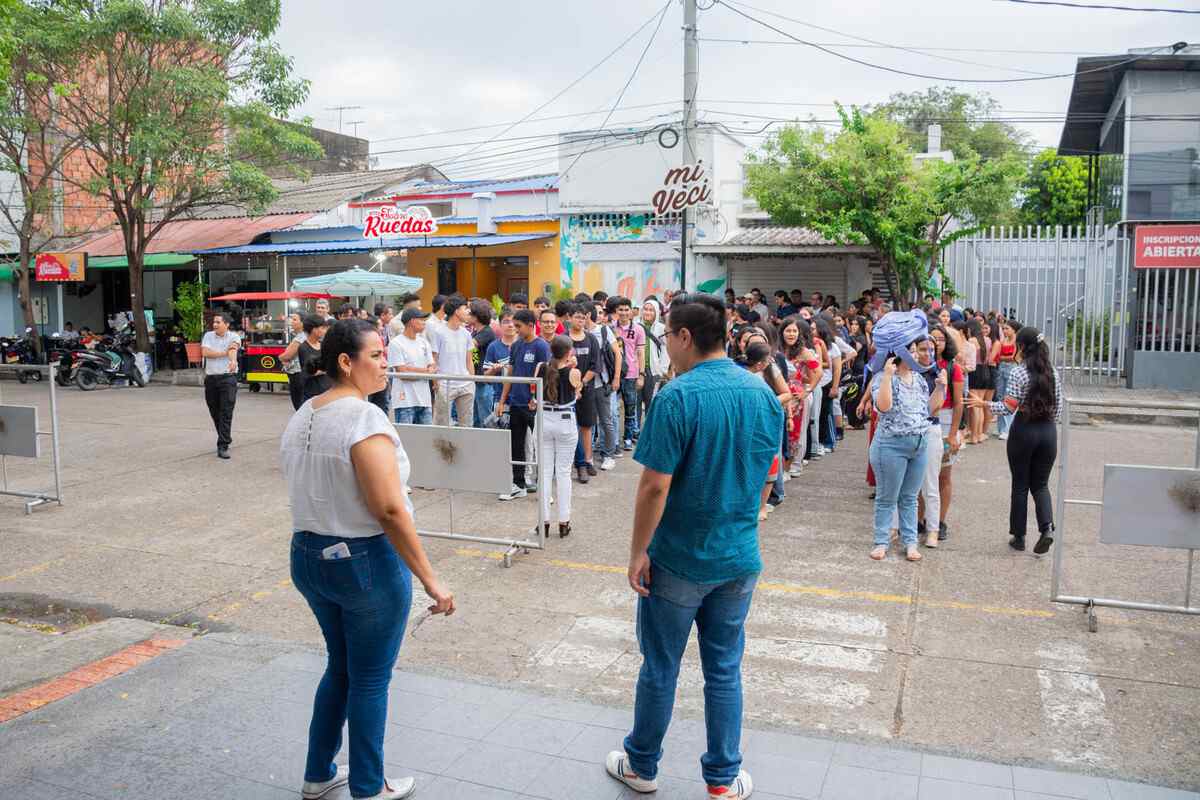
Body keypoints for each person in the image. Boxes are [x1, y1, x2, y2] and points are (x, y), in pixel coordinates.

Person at [604, 293, 781, 800]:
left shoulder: (677, 397)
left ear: (684, 336)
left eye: (668, 339)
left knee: (661, 665)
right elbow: (769, 475)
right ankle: (722, 779)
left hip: (681, 557)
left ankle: (642, 766)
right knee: (724, 668)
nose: (668, 350)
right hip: (738, 555)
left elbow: (654, 486)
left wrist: (639, 552)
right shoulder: (762, 394)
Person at [282, 318, 455, 800]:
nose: (385, 364)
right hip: (363, 562)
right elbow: (389, 509)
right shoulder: (363, 418)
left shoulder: (303, 414)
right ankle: (367, 786)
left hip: (308, 556)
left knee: (341, 665)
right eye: (376, 356)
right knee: (371, 678)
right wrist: (431, 579)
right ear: (345, 362)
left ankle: (319, 773)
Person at [969, 325, 1063, 554]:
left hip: (1024, 430)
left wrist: (984, 404)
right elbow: (1058, 409)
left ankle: (1019, 537)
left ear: (1022, 346)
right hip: (1048, 431)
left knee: (1020, 484)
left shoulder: (1019, 372)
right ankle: (1047, 529)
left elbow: (1008, 407)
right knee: (1041, 484)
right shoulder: (1053, 371)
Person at [867, 311, 945, 562]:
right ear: (899, 352)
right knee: (887, 497)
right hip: (890, 445)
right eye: (913, 349)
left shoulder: (920, 380)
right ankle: (881, 541)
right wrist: (888, 377)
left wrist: (941, 387)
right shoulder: (882, 377)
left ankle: (910, 542)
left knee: (910, 498)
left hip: (919, 444)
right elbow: (884, 407)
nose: (920, 354)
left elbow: (930, 409)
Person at [497, 309, 550, 501]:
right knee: (516, 445)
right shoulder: (517, 345)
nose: (515, 329)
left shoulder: (541, 346)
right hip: (516, 402)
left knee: (540, 446)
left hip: (534, 405)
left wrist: (536, 399)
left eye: (519, 326)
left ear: (530, 325)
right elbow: (510, 373)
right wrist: (503, 400)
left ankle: (545, 488)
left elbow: (544, 375)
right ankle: (518, 484)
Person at [536, 336, 582, 538]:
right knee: (563, 473)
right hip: (565, 421)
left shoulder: (540, 368)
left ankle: (543, 521)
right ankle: (564, 522)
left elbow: (535, 391)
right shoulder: (574, 372)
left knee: (544, 473)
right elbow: (577, 393)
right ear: (568, 352)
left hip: (544, 418)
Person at [928, 323, 963, 544]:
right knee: (922, 476)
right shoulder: (918, 364)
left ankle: (940, 522)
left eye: (940, 339)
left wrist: (953, 434)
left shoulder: (953, 368)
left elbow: (959, 403)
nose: (936, 343)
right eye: (932, 339)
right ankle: (921, 521)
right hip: (925, 420)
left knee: (943, 476)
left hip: (947, 421)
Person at [429, 296, 475, 428]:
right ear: (456, 311)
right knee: (442, 425)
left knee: (467, 425)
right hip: (445, 384)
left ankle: (465, 448)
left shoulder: (466, 333)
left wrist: (472, 381)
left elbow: (469, 360)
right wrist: (436, 383)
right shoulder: (439, 332)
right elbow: (434, 359)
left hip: (466, 384)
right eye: (465, 308)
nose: (468, 311)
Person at [566, 303, 599, 483]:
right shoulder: (563, 339)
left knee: (586, 426)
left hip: (586, 389)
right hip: (566, 391)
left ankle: (587, 460)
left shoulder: (591, 339)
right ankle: (571, 462)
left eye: (583, 317)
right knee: (569, 426)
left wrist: (581, 383)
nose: (580, 320)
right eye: (577, 316)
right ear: (570, 318)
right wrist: (572, 385)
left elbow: (596, 366)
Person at [201, 313, 240, 459]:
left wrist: (232, 360)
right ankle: (225, 437)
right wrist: (224, 353)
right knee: (214, 411)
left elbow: (233, 349)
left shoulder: (234, 336)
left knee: (226, 411)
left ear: (227, 324)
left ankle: (223, 445)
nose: (215, 324)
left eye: (218, 322)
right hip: (211, 379)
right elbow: (205, 352)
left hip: (227, 379)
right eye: (214, 322)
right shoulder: (208, 336)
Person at [388, 308, 436, 425]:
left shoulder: (424, 343)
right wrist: (425, 371)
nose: (424, 323)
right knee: (406, 440)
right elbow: (403, 373)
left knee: (426, 440)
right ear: (412, 321)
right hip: (405, 402)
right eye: (421, 320)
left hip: (424, 401)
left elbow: (433, 367)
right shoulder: (396, 343)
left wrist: (411, 369)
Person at [591, 302, 622, 471]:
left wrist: (616, 378)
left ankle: (608, 454)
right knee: (587, 423)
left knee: (606, 420)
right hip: (585, 385)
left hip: (602, 383)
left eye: (601, 312)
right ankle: (586, 457)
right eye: (595, 312)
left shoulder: (604, 331)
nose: (598, 315)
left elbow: (617, 354)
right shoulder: (582, 331)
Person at [613, 297, 646, 451]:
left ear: (631, 311)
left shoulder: (638, 329)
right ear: (616, 311)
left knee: (630, 408)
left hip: (631, 374)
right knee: (612, 410)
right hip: (613, 374)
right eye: (621, 309)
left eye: (626, 309)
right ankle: (612, 441)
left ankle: (627, 437)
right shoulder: (611, 328)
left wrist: (641, 374)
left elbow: (640, 353)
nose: (624, 313)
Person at [483, 308, 517, 420]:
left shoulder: (525, 344)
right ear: (500, 324)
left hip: (522, 400)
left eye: (513, 321)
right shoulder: (493, 347)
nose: (510, 325)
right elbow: (486, 378)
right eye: (506, 321)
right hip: (500, 399)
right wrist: (494, 369)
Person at [468, 300, 497, 428]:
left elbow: (470, 345)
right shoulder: (476, 332)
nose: (467, 316)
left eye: (469, 314)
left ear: (476, 317)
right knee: (476, 420)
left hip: (484, 382)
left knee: (485, 419)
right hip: (476, 380)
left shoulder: (487, 332)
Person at [639, 299, 668, 424]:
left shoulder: (662, 328)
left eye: (651, 310)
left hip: (654, 370)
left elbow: (666, 348)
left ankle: (650, 429)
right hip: (638, 370)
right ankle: (636, 431)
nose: (648, 312)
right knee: (636, 402)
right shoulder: (636, 326)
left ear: (656, 312)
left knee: (651, 402)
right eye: (645, 309)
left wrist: (662, 369)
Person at [995, 320, 1019, 441]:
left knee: (1009, 398)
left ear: (1014, 329)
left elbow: (1013, 357)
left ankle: (1007, 429)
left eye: (1007, 328)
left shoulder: (1017, 342)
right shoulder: (1003, 340)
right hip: (1002, 368)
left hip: (1011, 368)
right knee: (1000, 396)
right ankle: (1001, 428)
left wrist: (1002, 357)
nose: (1005, 331)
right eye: (1003, 329)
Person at [299, 315, 332, 404]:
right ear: (314, 329)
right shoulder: (303, 347)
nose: (325, 331)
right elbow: (310, 371)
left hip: (327, 390)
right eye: (323, 328)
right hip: (312, 392)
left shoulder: (323, 345)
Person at [281, 312, 307, 411]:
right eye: (291, 319)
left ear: (302, 323)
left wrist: (281, 358)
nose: (291, 321)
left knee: (300, 407)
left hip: (298, 374)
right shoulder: (299, 336)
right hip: (297, 374)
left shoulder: (301, 337)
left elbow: (286, 356)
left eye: (295, 319)